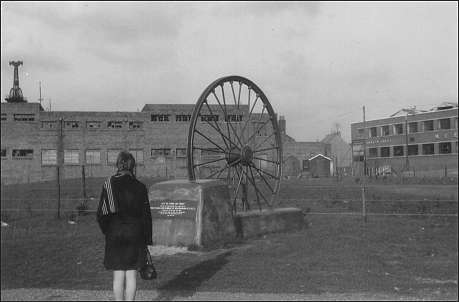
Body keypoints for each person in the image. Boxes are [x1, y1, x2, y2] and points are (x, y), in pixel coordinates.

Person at [97, 151, 152, 301]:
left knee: (118, 275)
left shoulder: (109, 183)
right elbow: (146, 216)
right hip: (135, 233)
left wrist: (108, 231)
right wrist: (147, 239)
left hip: (115, 233)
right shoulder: (141, 187)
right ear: (132, 166)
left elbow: (101, 214)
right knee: (132, 274)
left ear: (118, 164)